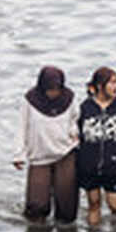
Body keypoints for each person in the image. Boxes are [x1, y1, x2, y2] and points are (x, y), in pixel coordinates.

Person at [13, 66, 79, 223]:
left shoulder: (69, 98)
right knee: (36, 208)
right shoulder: (30, 100)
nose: (53, 93)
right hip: (39, 155)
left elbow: (74, 119)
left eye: (57, 89)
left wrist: (74, 132)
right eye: (50, 89)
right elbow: (22, 126)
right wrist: (19, 154)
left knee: (67, 207)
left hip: (65, 153)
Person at [77, 66, 116, 226]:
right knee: (93, 205)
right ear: (100, 85)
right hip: (90, 167)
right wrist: (78, 168)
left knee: (115, 205)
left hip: (113, 166)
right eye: (112, 83)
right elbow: (78, 139)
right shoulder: (85, 108)